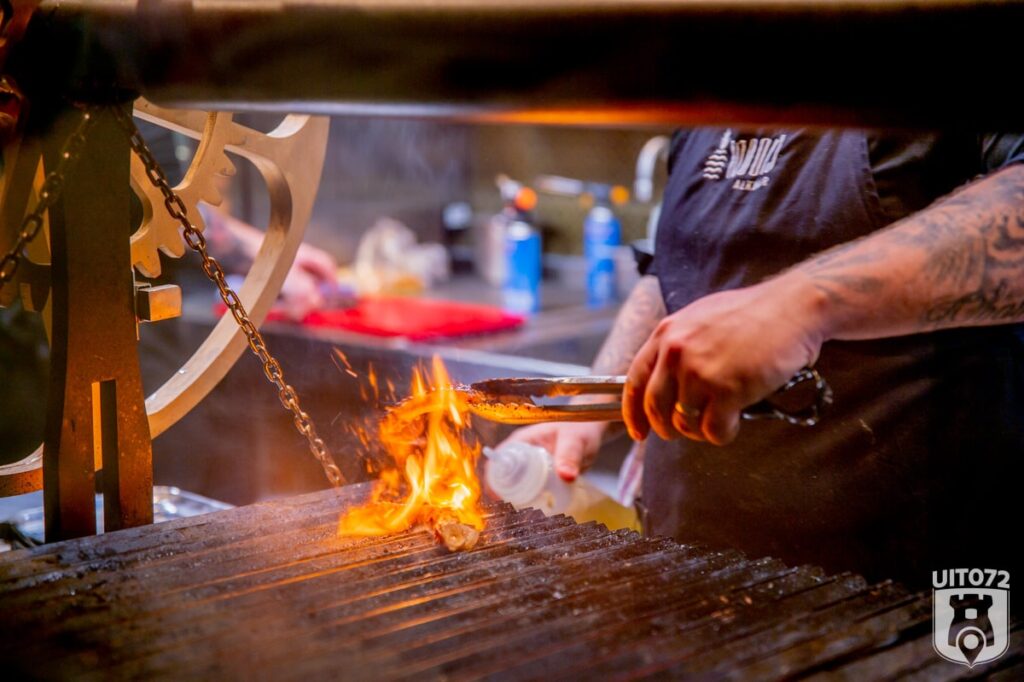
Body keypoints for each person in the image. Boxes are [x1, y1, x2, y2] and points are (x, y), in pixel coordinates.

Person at [503, 128, 1024, 589]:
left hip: (906, 599)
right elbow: (679, 269)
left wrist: (800, 302)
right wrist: (597, 404)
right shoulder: (717, 85)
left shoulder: (958, 28)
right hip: (691, 578)